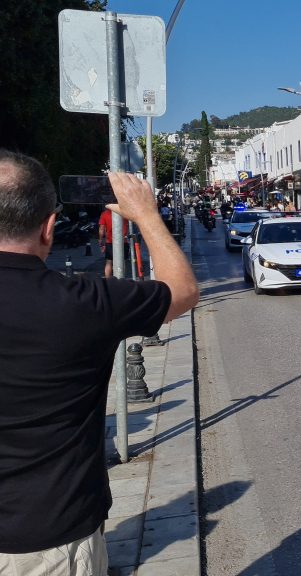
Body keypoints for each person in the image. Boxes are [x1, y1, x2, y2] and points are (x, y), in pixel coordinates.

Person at [0, 151, 199, 574]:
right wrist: (145, 214)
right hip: (49, 538)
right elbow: (181, 289)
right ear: (49, 228)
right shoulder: (83, 303)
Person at [98, 207, 129, 278]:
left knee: (109, 261)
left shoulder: (105, 214)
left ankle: (108, 280)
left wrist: (100, 240)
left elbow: (101, 229)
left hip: (110, 241)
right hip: (123, 241)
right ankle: (121, 279)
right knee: (122, 261)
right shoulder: (124, 213)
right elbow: (129, 225)